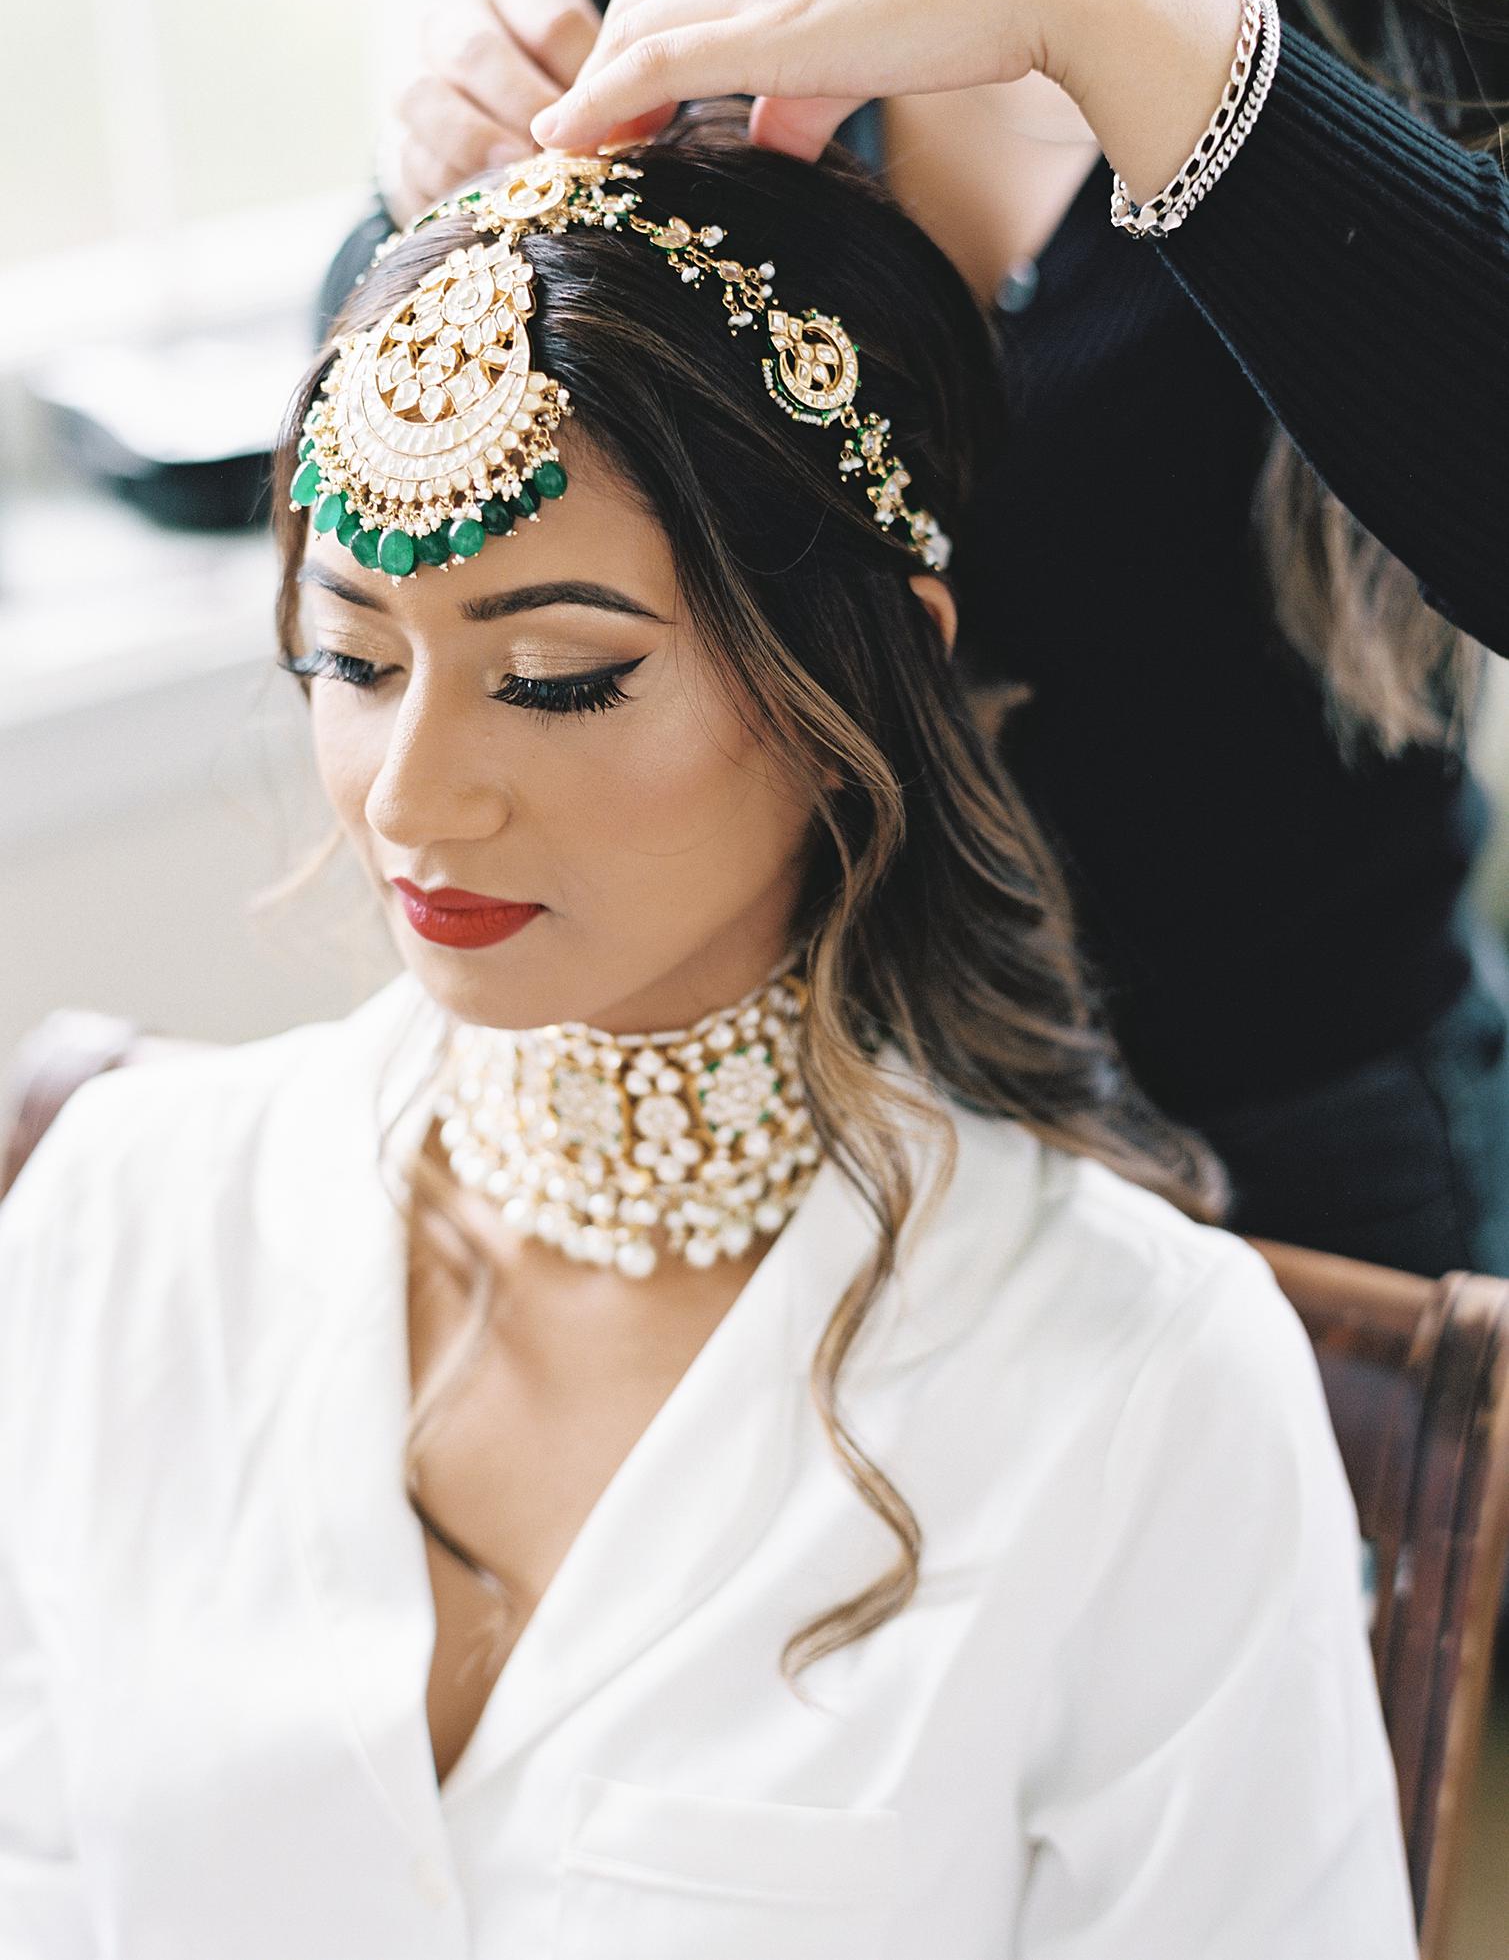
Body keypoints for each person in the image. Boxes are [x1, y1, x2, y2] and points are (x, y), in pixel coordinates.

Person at [0, 129, 1417, 1955]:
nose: (415, 798)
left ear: (859, 677)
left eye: (560, 678)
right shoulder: (119, 1219)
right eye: (352, 661)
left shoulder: (1141, 1383)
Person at [332, 0, 1509, 1281]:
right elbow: (391, 538)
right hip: (809, 1129)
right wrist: (427, 187)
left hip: (1298, 1153)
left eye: (564, 676)